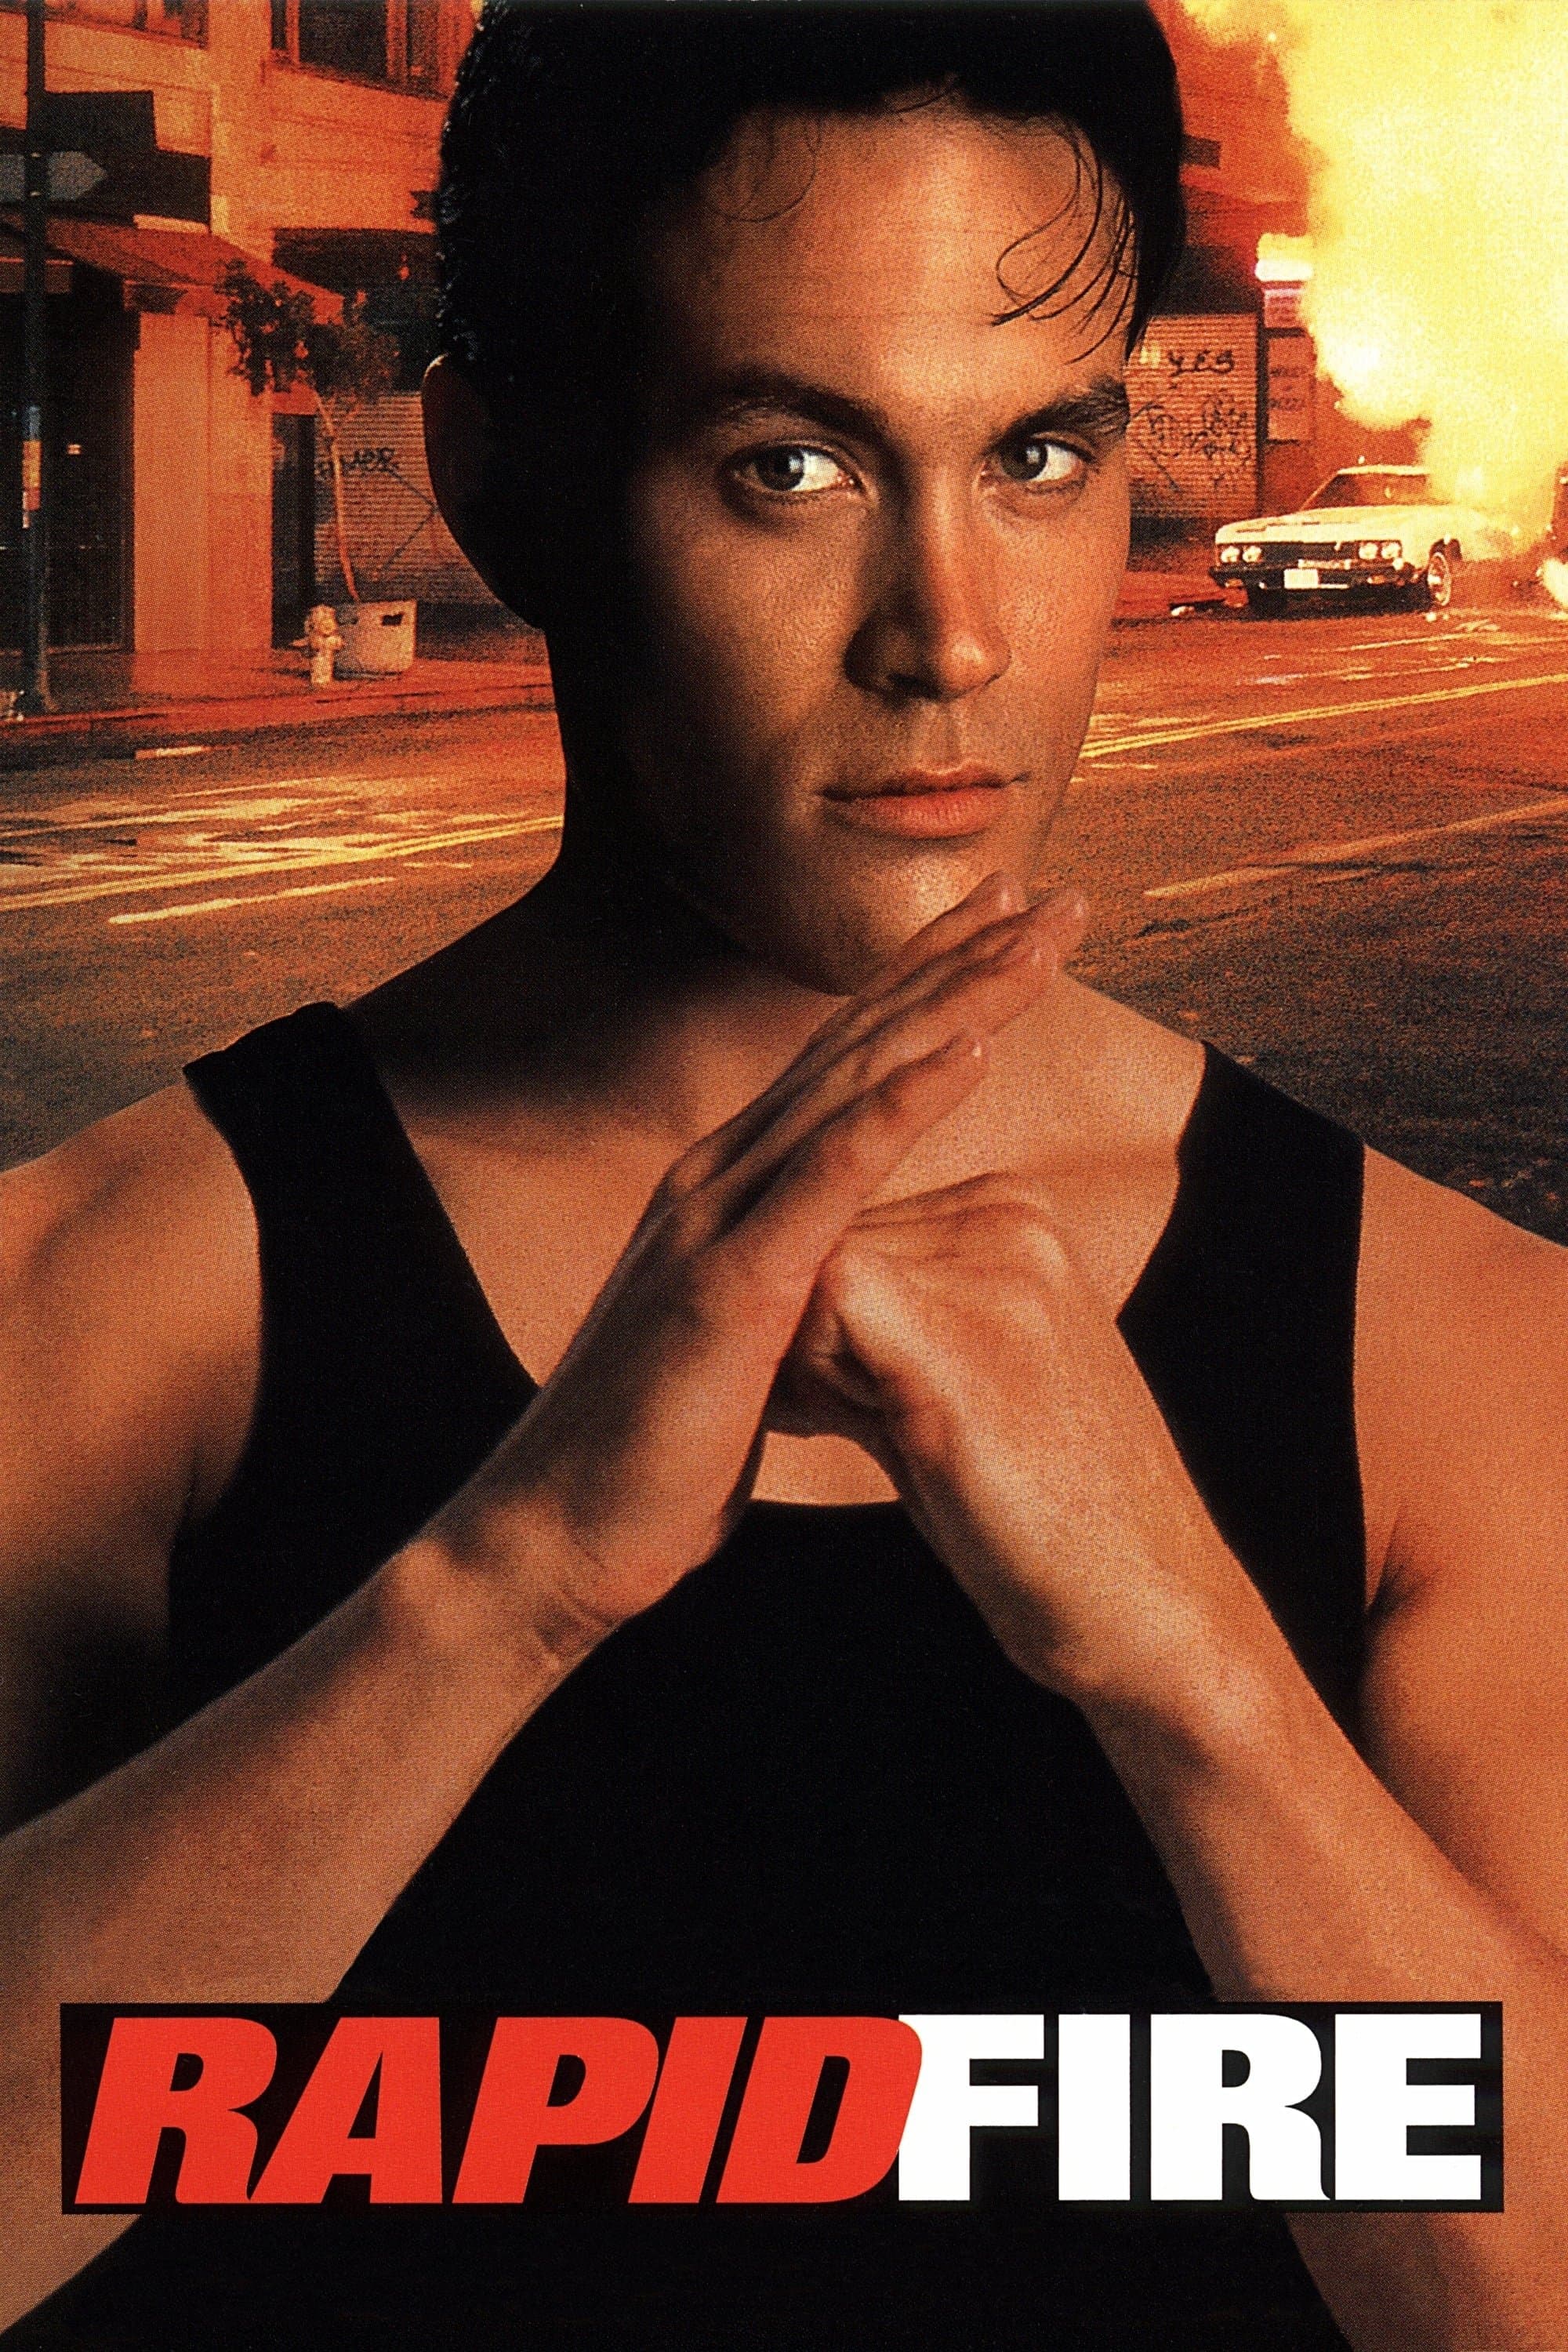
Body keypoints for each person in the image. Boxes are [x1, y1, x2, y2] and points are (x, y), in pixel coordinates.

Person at [2, 5, 1566, 2346]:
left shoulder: (1449, 1348)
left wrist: (1190, 1659)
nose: (952, 634)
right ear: (507, 481)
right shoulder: (108, 1300)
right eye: (790, 468)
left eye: (1035, 454)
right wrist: (510, 1578)